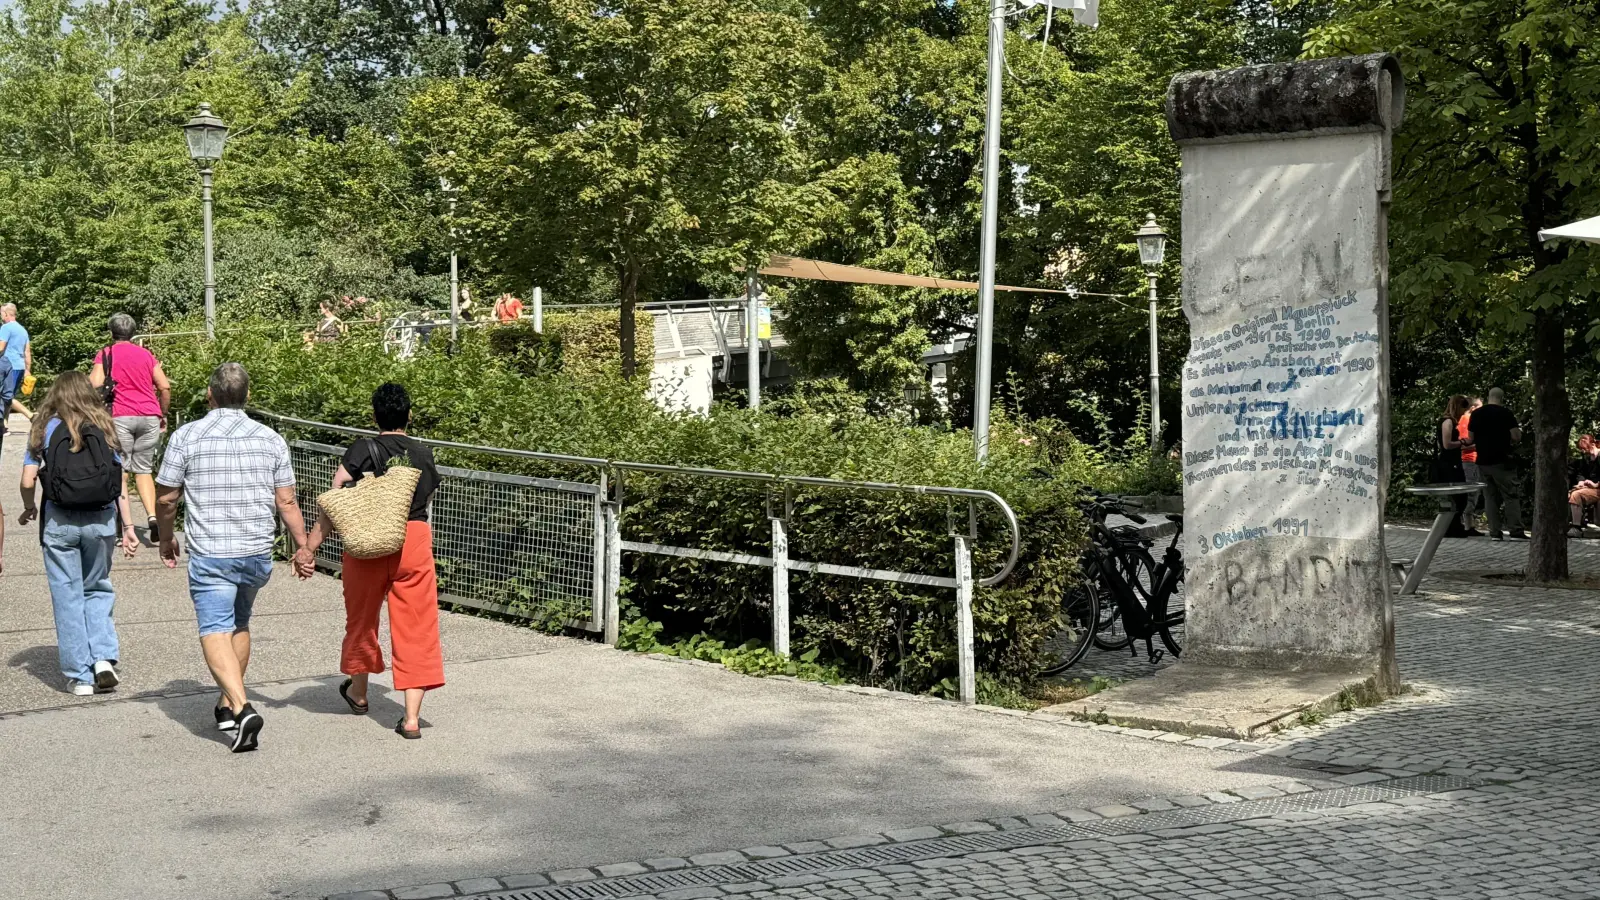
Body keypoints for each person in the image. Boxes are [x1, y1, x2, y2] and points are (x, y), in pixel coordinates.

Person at [155, 363, 311, 753]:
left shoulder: (186, 436)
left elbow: (167, 497)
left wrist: (164, 537)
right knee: (239, 622)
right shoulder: (270, 439)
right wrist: (303, 547)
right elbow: (286, 500)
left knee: (214, 627)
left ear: (210, 394)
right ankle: (226, 707)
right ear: (248, 395)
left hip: (212, 551)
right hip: (256, 550)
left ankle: (242, 709)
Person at [299, 383, 444, 740]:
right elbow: (429, 502)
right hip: (413, 540)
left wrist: (309, 548)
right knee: (417, 626)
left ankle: (359, 693)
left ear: (374, 415)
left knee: (361, 620)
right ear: (409, 415)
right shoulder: (423, 453)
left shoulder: (362, 450)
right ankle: (410, 719)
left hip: (366, 543)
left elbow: (334, 503)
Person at [18, 372, 139, 696]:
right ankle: (102, 659)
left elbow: (28, 480)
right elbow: (120, 483)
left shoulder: (44, 429)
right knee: (97, 588)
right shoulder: (105, 425)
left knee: (67, 596)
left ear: (55, 396)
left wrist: (30, 507)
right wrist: (128, 527)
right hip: (100, 521)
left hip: (59, 523)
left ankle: (80, 676)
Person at [90, 314, 172, 545]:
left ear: (111, 332)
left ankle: (123, 525)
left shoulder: (106, 353)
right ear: (133, 332)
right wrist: (162, 413)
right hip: (149, 416)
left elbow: (95, 383)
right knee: (144, 469)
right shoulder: (146, 354)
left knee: (121, 470)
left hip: (120, 416)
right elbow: (164, 386)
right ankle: (152, 517)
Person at [1465, 386, 1525, 541]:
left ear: (1489, 397)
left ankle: (1495, 533)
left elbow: (1470, 438)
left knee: (1490, 498)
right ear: (1502, 397)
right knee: (1511, 495)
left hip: (1483, 461)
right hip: (1502, 461)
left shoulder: (1476, 414)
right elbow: (1516, 436)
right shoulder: (1505, 413)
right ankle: (1515, 531)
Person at [1432, 395, 1471, 538]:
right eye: (1462, 410)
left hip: (1453, 461)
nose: (1463, 414)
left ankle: (1454, 525)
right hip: (1449, 464)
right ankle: (1451, 526)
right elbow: (1447, 445)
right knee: (1457, 495)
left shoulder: (1450, 422)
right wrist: (1463, 442)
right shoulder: (1447, 422)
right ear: (1458, 407)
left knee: (1459, 495)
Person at [0, 302, 33, 425]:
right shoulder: (23, 330)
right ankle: (4, 425)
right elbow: (27, 351)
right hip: (19, 366)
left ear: (7, 314)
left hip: (7, 365)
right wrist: (27, 369)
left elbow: (1, 347)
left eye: (1, 313)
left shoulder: (5, 327)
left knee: (6, 396)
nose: (1, 316)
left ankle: (30, 415)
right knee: (9, 396)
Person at [1458, 396, 1484, 535]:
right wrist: (1481, 443)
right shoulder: (1466, 420)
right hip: (1469, 460)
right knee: (1471, 493)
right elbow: (1464, 443)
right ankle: (1468, 525)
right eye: (1480, 407)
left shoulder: (1466, 419)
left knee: (1473, 493)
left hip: (1472, 460)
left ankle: (1469, 525)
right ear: (1473, 408)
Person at [1569, 434, 1600, 530]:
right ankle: (1575, 521)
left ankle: (1576, 527)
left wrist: (1596, 484)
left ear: (1592, 445)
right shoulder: (1586, 459)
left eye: (1585, 449)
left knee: (1576, 495)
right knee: (1569, 494)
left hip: (1597, 488)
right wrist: (1581, 482)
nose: (1583, 452)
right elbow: (1581, 473)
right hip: (1591, 488)